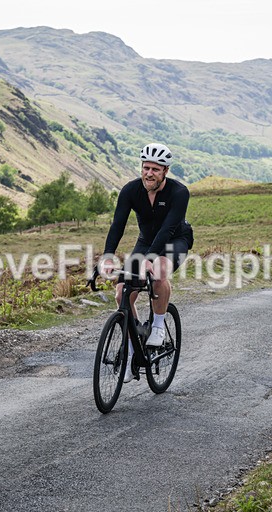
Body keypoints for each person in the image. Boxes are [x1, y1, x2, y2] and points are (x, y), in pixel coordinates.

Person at [100, 143, 193, 382]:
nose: (149, 173)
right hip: (146, 241)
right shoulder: (130, 190)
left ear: (165, 171)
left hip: (175, 240)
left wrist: (150, 259)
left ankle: (159, 325)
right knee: (122, 291)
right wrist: (108, 254)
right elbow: (118, 224)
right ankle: (133, 350)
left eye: (155, 169)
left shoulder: (179, 192)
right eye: (145, 168)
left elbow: (168, 228)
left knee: (158, 271)